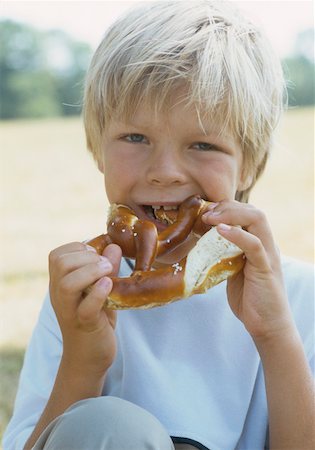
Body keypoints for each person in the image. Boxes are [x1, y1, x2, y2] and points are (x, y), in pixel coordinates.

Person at [3, 1, 314, 449]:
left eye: (203, 144)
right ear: (97, 149)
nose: (165, 171)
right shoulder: (80, 299)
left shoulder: (300, 299)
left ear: (248, 166)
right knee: (104, 424)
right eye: (135, 138)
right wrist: (83, 361)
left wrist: (276, 335)